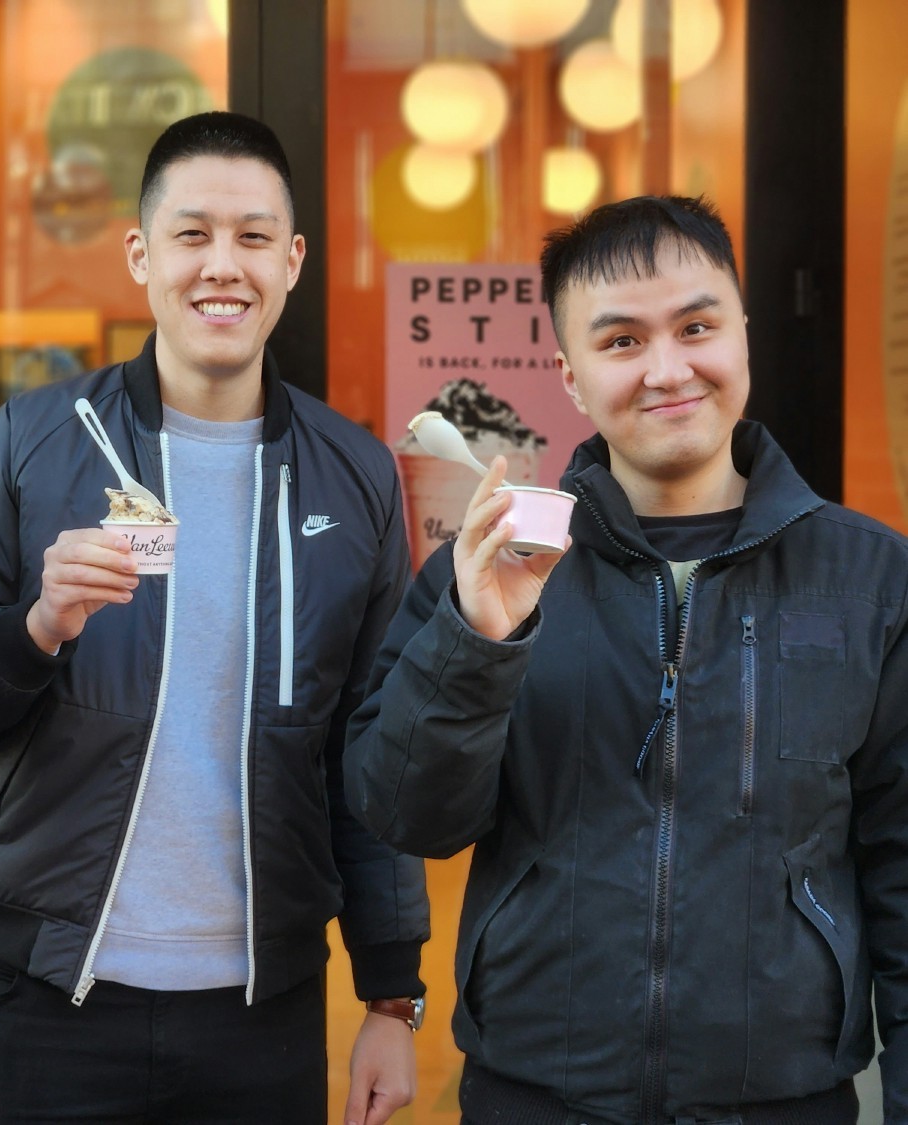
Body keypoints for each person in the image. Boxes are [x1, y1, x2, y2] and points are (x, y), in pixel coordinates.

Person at [0, 111, 428, 1124]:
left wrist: (391, 997)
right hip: (39, 1000)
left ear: (293, 260)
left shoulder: (354, 473)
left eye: (253, 237)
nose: (221, 266)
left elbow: (374, 748)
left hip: (260, 1015)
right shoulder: (36, 441)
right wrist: (36, 627)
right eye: (191, 235)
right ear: (141, 255)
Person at [344, 194, 908, 1122]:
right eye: (621, 343)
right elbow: (407, 814)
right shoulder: (490, 569)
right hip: (534, 1091)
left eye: (696, 326)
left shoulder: (869, 580)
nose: (667, 368)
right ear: (570, 377)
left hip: (783, 1098)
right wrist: (478, 641)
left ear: (743, 334)